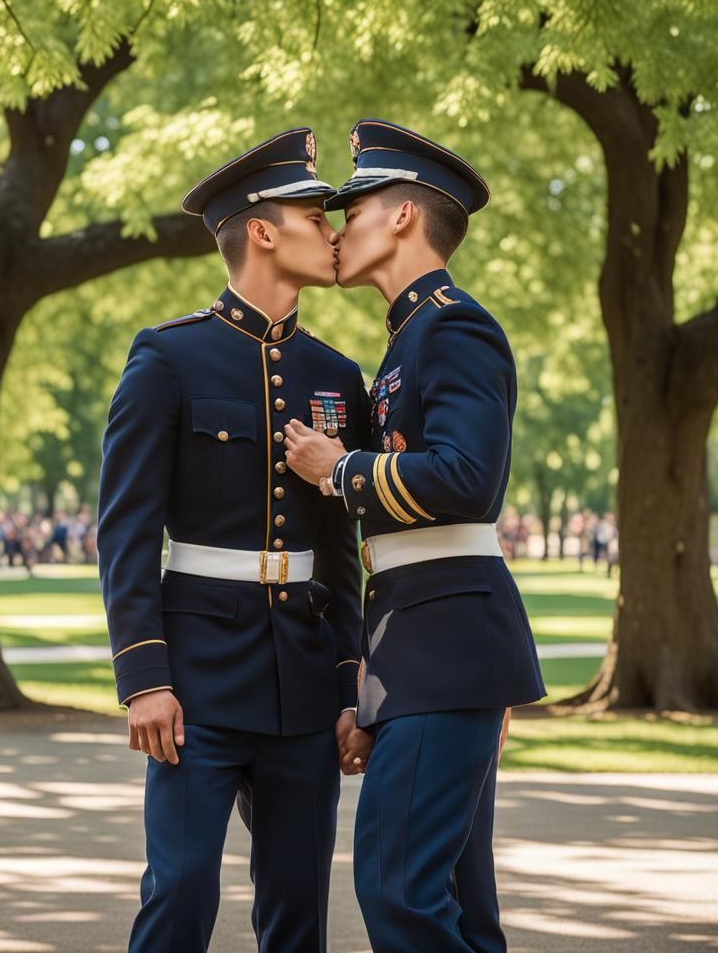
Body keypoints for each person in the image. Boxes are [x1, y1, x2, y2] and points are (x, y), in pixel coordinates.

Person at [97, 128, 368, 953]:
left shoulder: (338, 375)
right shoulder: (168, 358)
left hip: (304, 685)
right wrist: (144, 675)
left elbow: (340, 552)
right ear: (260, 229)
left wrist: (352, 680)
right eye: (313, 213)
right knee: (178, 897)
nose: (332, 231)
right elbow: (127, 531)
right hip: (197, 682)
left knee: (297, 913)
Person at [285, 119, 546, 953]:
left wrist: (339, 468)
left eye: (351, 210)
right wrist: (375, 685)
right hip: (426, 645)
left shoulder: (454, 326)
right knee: (461, 909)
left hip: (451, 642)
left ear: (400, 216)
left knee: (395, 884)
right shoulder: (408, 337)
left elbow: (469, 480)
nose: (337, 230)